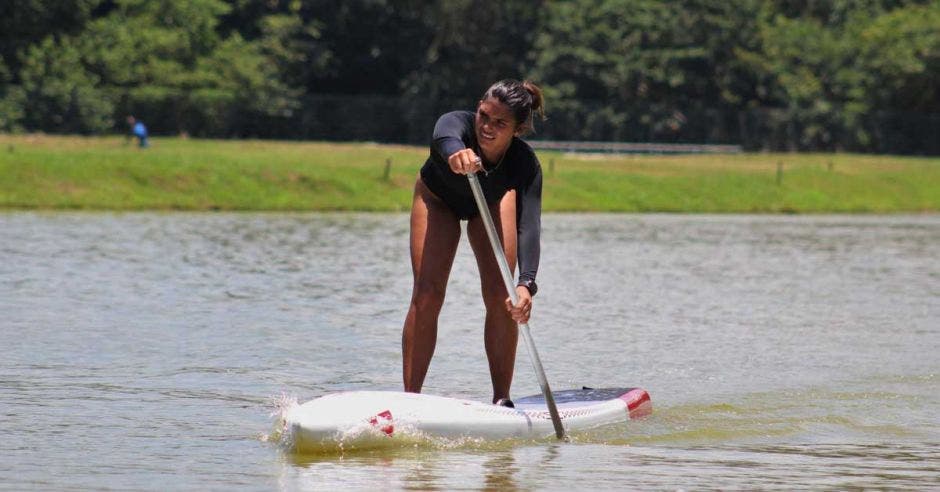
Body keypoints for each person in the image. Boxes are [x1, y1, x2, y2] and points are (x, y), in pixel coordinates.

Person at [402, 79, 545, 407]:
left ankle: (501, 401)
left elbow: (529, 226)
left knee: (503, 297)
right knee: (427, 293)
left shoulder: (524, 163)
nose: (487, 128)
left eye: (500, 124)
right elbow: (444, 135)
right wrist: (456, 154)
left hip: (491, 204)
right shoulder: (456, 124)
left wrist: (526, 285)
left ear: (517, 130)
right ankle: (409, 401)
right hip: (437, 200)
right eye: (483, 116)